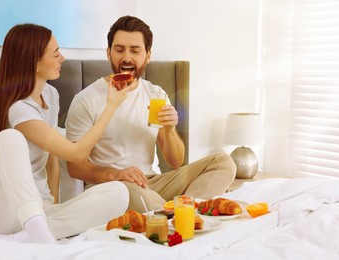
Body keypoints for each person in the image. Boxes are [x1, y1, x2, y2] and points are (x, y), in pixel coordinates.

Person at [0, 23, 131, 244]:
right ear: (34, 62)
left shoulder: (50, 95)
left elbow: (52, 157)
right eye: (56, 53)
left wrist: (52, 202)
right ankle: (36, 227)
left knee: (118, 193)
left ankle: (32, 230)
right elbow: (76, 154)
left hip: (34, 210)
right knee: (10, 138)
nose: (63, 58)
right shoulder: (18, 108)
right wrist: (111, 107)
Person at [65, 15, 236, 213]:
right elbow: (76, 168)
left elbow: (175, 162)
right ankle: (182, 213)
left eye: (135, 50)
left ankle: (179, 212)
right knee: (132, 193)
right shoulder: (86, 100)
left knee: (223, 162)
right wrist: (118, 174)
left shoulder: (155, 95)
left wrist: (170, 130)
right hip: (113, 188)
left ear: (147, 55)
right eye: (119, 50)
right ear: (108, 53)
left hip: (152, 181)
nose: (126, 57)